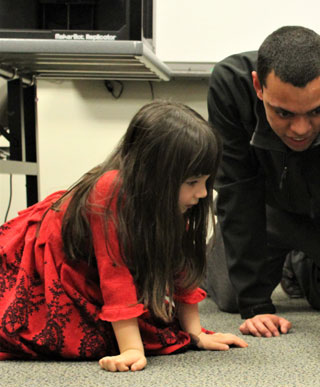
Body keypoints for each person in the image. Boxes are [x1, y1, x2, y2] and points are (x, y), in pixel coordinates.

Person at [0, 101, 247, 371]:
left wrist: (196, 333)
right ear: (154, 175)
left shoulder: (172, 202)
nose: (202, 194)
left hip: (87, 267)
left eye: (205, 181)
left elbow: (181, 268)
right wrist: (131, 349)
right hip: (43, 262)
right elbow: (114, 275)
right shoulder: (109, 190)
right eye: (192, 183)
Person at [206, 26, 320, 338]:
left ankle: (298, 266)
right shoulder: (230, 86)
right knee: (232, 297)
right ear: (258, 86)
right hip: (265, 212)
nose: (301, 129)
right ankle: (275, 261)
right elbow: (237, 188)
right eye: (284, 113)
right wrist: (255, 304)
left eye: (317, 111)